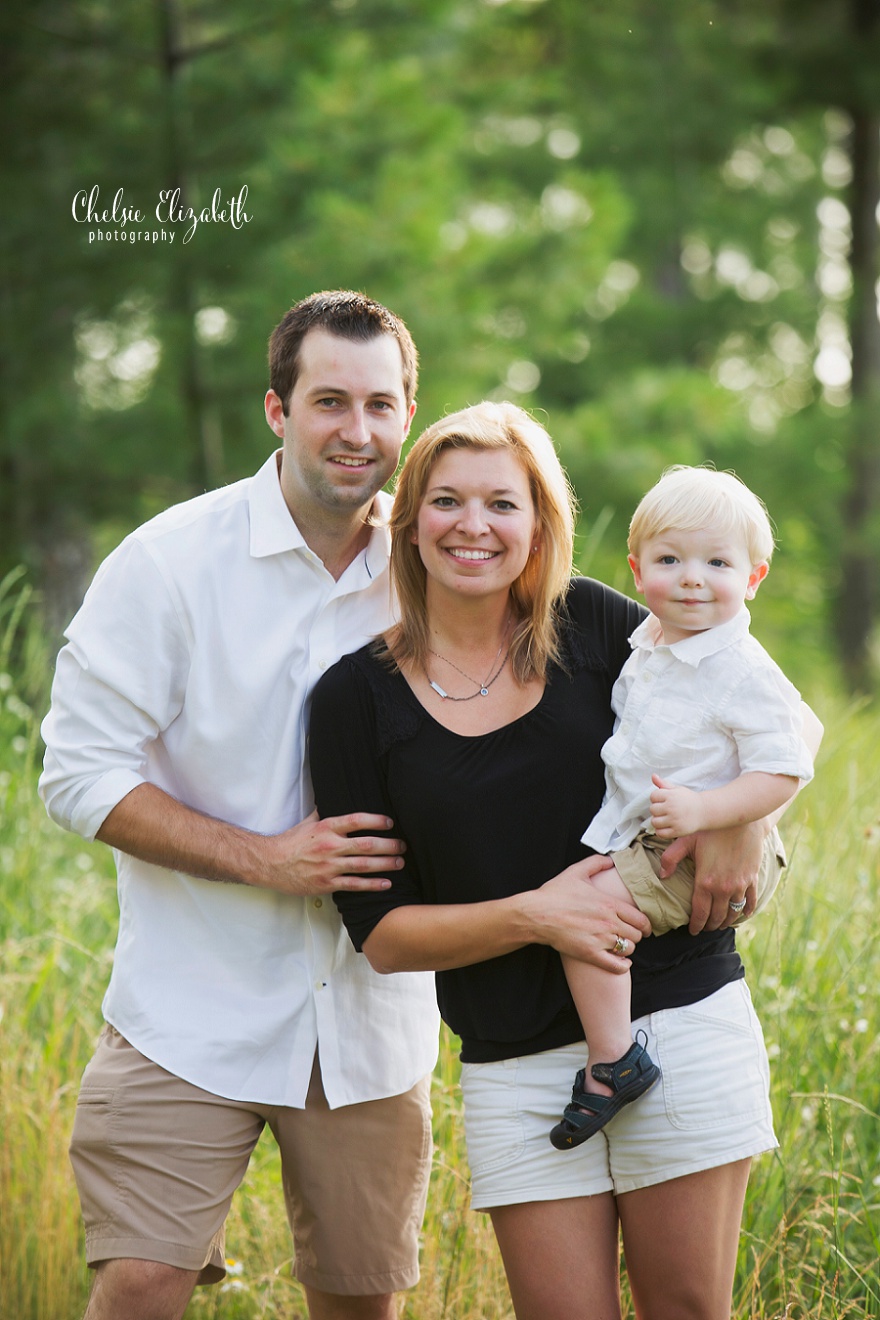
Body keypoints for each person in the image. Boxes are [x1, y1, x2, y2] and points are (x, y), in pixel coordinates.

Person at [308, 402, 822, 1320]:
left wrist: (737, 823)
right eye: (447, 500)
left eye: (503, 503)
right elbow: (381, 936)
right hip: (513, 1057)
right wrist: (539, 914)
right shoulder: (354, 699)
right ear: (408, 517)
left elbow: (743, 695)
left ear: (540, 522)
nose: (474, 526)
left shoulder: (595, 624)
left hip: (680, 1015)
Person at [39, 290, 443, 1320]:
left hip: (367, 1025)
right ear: (278, 409)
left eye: (382, 405)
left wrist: (747, 811)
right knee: (138, 1285)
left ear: (408, 414)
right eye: (329, 402)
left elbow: (627, 670)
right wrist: (266, 859)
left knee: (361, 1305)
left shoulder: (445, 566)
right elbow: (78, 773)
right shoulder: (170, 563)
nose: (357, 431)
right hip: (187, 1012)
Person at [550, 466, 815, 1150]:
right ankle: (616, 1052)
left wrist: (710, 813)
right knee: (584, 904)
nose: (693, 577)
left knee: (589, 919)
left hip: (699, 839)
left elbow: (786, 766)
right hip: (658, 834)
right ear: (638, 572)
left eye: (717, 563)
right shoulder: (649, 643)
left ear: (753, 578)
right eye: (671, 560)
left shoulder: (741, 668)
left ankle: (612, 1063)